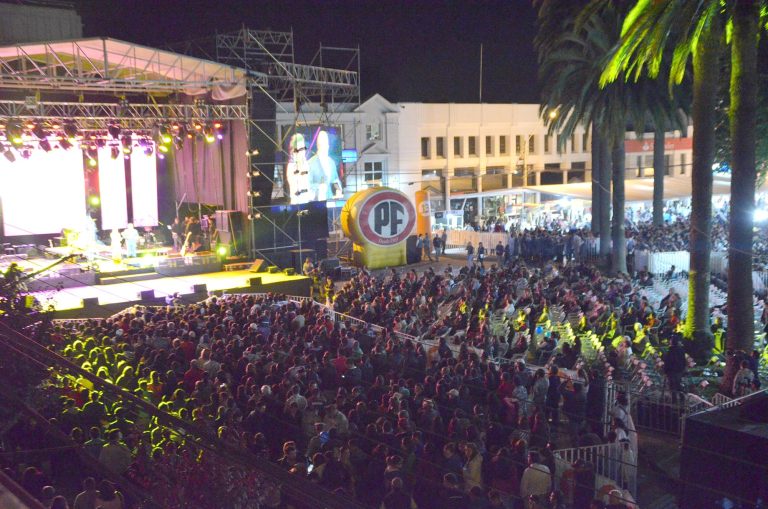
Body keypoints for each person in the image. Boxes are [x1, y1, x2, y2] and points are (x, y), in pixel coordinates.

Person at [308, 130, 342, 201]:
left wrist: (338, 189)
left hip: (331, 201)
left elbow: (335, 180)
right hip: (316, 203)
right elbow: (307, 185)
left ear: (328, 145)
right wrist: (319, 187)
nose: (324, 146)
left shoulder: (331, 162)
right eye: (322, 144)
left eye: (326, 143)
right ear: (318, 145)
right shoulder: (311, 163)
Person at [286, 133, 311, 204]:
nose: (303, 151)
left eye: (303, 148)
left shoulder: (306, 164)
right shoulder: (291, 167)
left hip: (308, 202)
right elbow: (295, 187)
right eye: (300, 149)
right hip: (297, 204)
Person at [662, 336, 686, 401]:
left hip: (671, 371)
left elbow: (667, 362)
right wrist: (683, 369)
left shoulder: (670, 351)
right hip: (679, 370)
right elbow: (684, 360)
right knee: (678, 383)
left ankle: (674, 399)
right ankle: (682, 397)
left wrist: (665, 371)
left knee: (672, 385)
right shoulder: (681, 350)